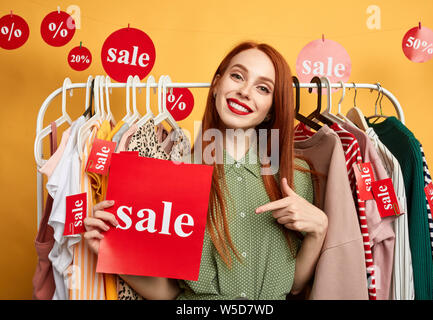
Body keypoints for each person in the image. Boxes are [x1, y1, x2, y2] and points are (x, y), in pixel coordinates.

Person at [84, 41, 328, 300]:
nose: (245, 91)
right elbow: (168, 293)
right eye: (237, 76)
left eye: (262, 88)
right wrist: (113, 253)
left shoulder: (296, 176)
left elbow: (294, 284)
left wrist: (319, 229)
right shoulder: (177, 172)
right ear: (216, 85)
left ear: (271, 109)